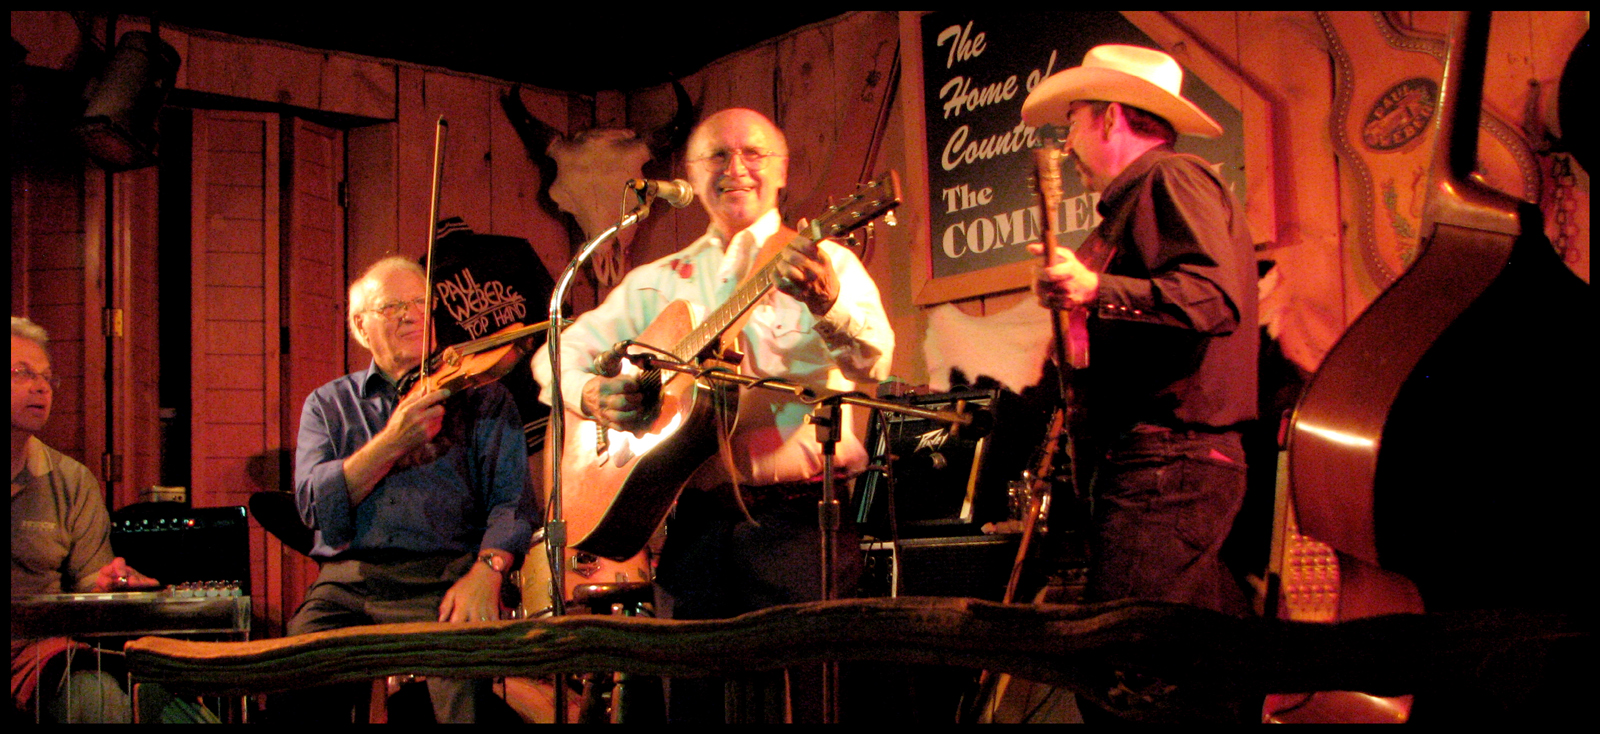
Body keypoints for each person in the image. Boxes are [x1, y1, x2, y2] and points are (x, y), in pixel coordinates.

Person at [533, 108, 894, 722]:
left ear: (781, 173)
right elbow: (555, 352)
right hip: (694, 525)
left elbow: (872, 361)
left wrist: (828, 302)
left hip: (798, 526)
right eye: (717, 157)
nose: (737, 169)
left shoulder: (826, 260)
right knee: (689, 702)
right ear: (693, 176)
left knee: (800, 702)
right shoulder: (656, 281)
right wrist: (591, 397)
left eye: (754, 154)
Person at [1020, 45, 1259, 617]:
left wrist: (1095, 290)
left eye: (1073, 119)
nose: (1068, 141)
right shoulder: (1141, 200)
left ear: (1109, 116)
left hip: (1168, 462)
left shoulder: (1170, 178)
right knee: (1186, 668)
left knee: (1123, 664)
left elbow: (1209, 301)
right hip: (1166, 464)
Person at [286, 257, 534, 723]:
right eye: (392, 306)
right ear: (361, 326)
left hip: (448, 576)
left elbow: (514, 502)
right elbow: (315, 506)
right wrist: (392, 441)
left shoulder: (483, 396)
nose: (411, 315)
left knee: (465, 699)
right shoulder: (328, 404)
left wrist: (488, 570)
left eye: (420, 302)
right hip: (349, 582)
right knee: (297, 672)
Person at [11, 316, 159, 722]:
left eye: (46, 377)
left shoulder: (72, 480)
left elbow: (88, 590)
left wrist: (103, 583)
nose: (40, 387)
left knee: (97, 696)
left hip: (31, 652)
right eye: (22, 373)